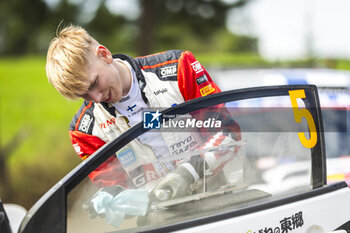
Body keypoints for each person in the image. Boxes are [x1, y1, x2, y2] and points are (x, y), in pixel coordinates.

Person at [46, 24, 241, 220]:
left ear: (104, 55)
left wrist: (187, 173)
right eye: (84, 95)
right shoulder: (84, 131)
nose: (96, 97)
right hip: (160, 219)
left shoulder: (179, 68)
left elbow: (228, 134)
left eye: (94, 84)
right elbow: (121, 194)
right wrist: (112, 202)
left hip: (220, 197)